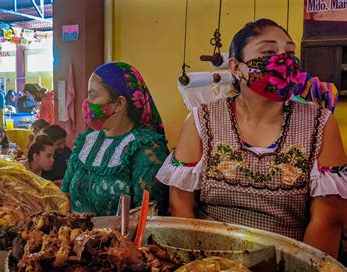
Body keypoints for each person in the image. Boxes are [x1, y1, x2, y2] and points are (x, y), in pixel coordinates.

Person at [157, 19, 347, 258]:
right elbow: (181, 206)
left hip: (286, 270)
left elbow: (327, 220)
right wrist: (200, 269)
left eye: (289, 52)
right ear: (236, 68)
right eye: (269, 51)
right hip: (211, 264)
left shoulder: (320, 123)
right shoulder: (202, 119)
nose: (284, 59)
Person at [62, 62, 169, 216]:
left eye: (93, 96)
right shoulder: (87, 140)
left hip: (118, 238)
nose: (87, 102)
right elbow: (65, 193)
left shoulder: (147, 147)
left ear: (119, 103)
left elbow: (148, 215)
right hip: (74, 236)